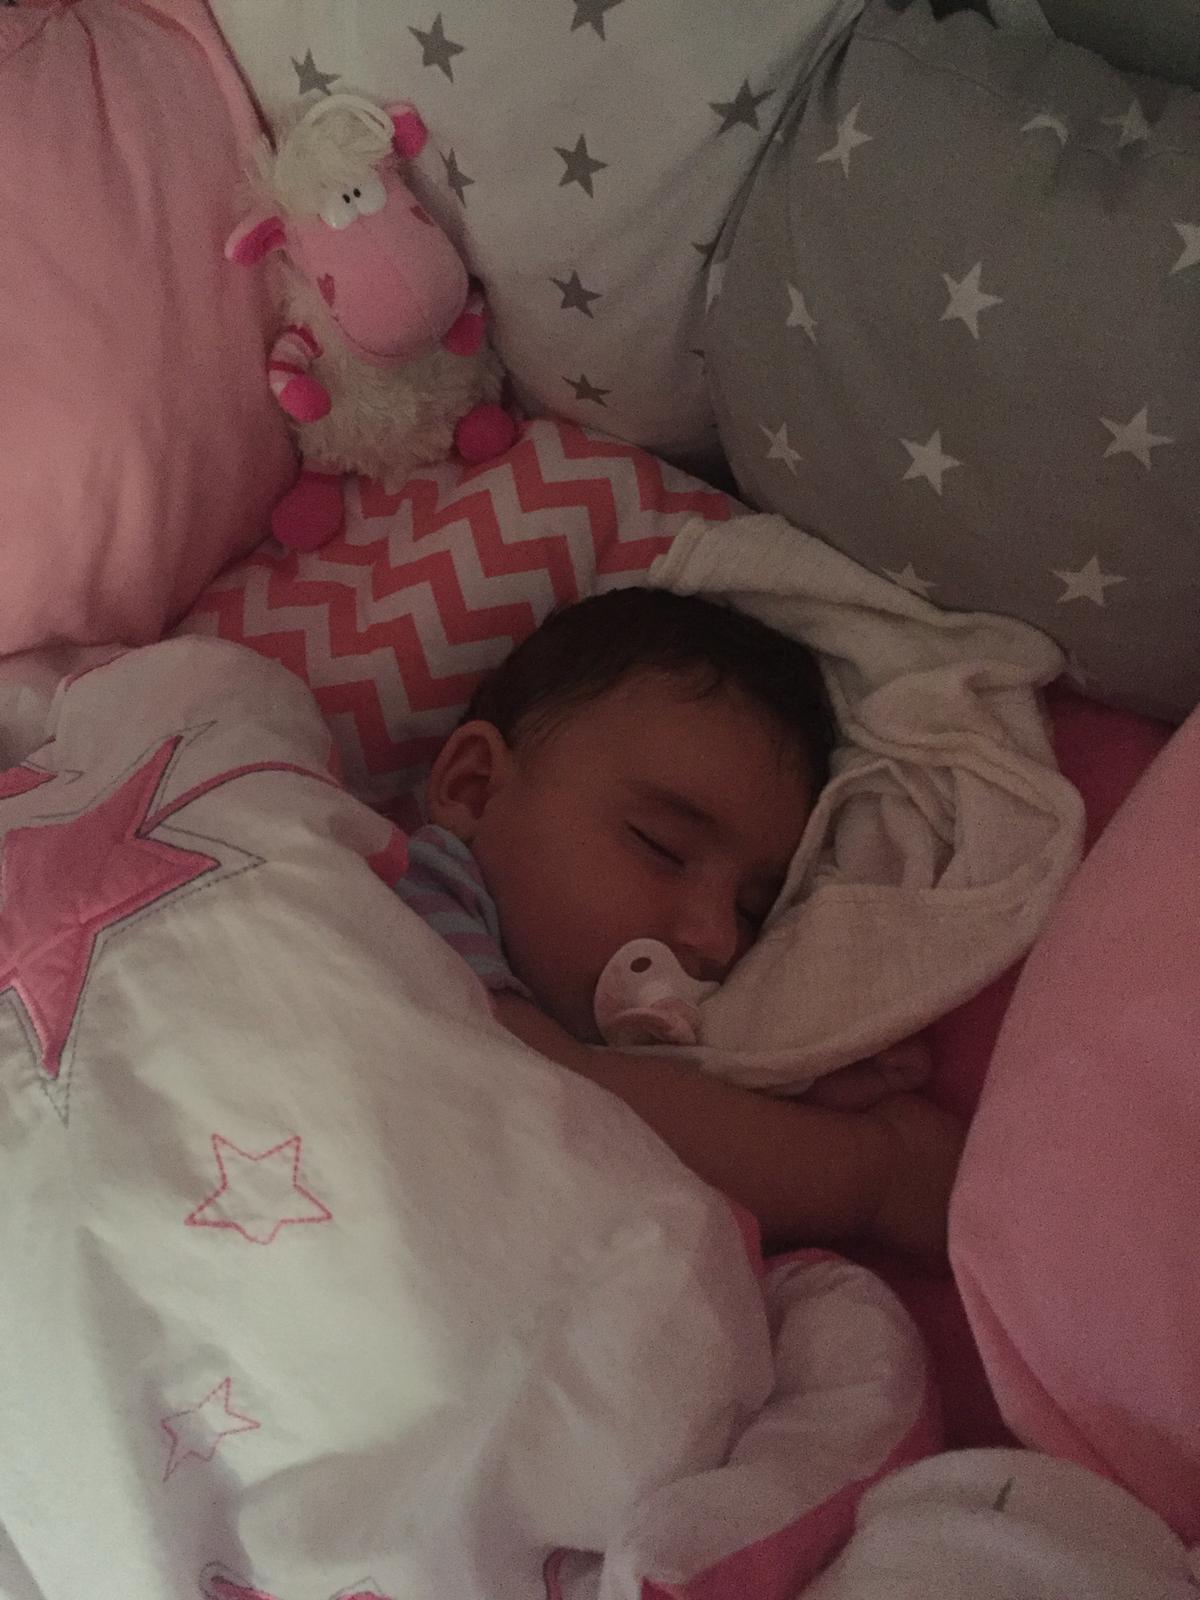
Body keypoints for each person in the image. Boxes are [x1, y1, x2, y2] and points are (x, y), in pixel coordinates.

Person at [397, 586, 963, 1260]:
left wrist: (778, 1075)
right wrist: (874, 1173)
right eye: (662, 847)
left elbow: (641, 1102)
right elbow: (567, 1096)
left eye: (751, 908)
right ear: (474, 789)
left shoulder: (566, 1015)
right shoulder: (411, 899)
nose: (716, 940)